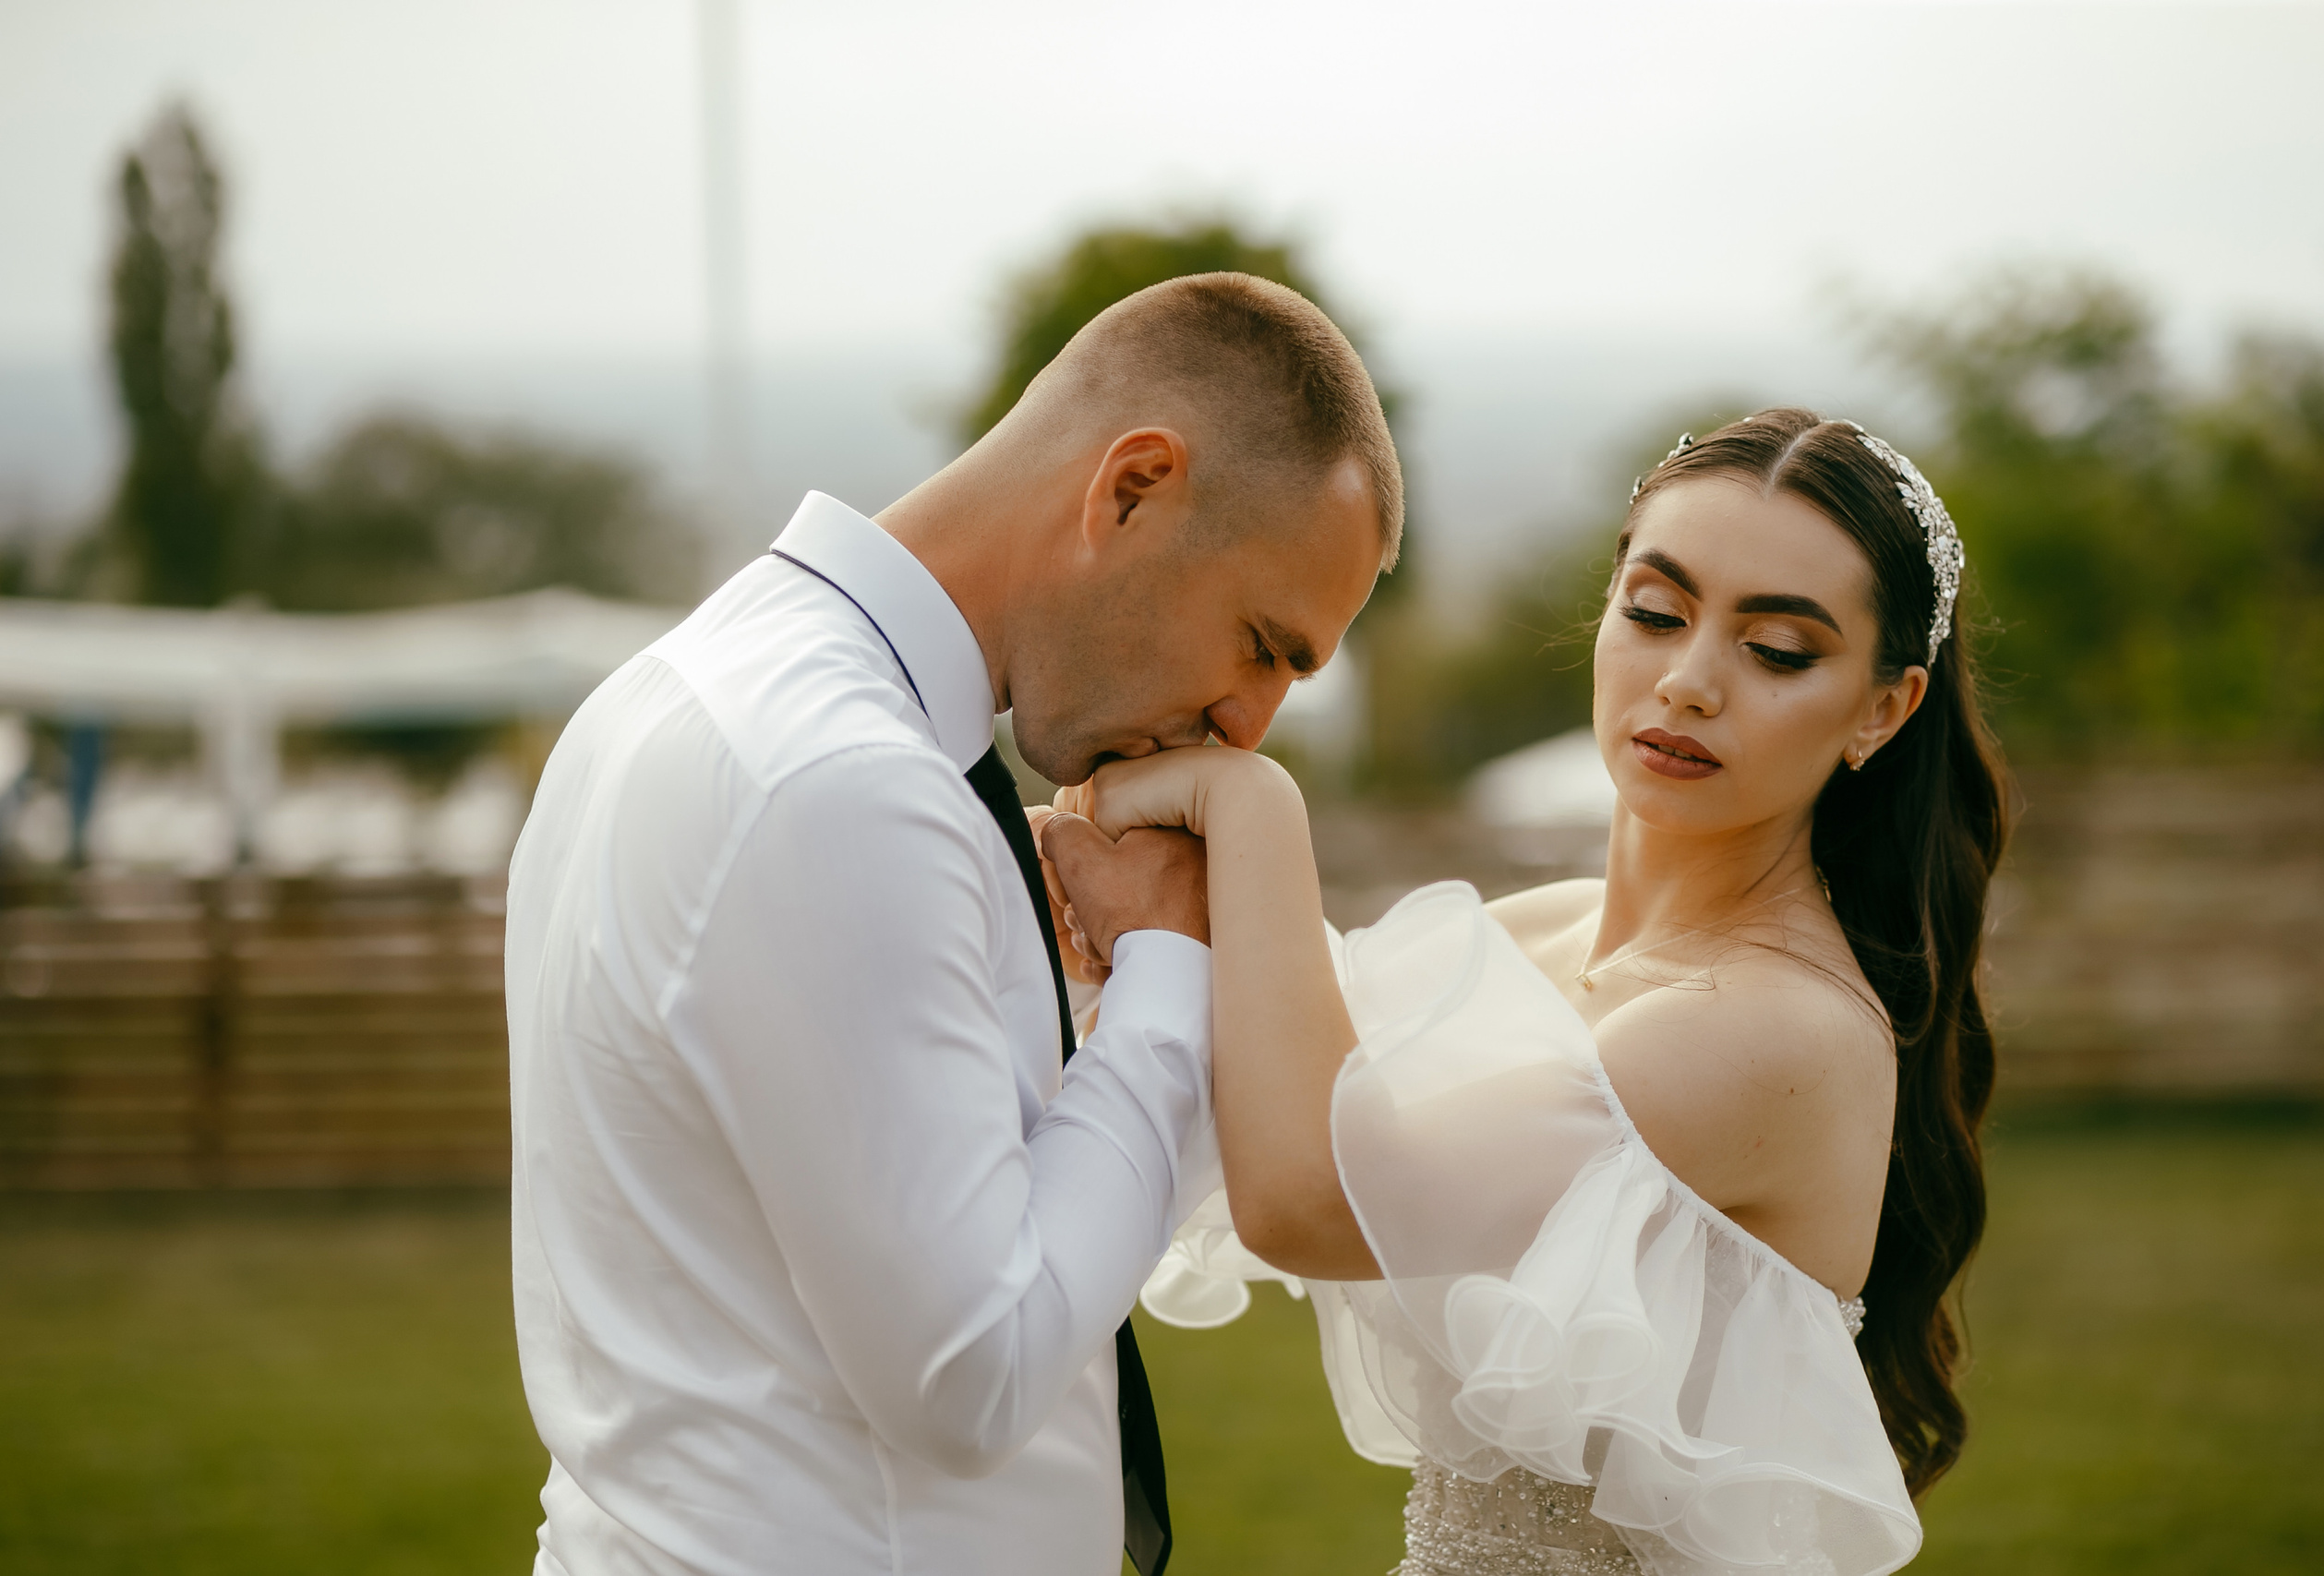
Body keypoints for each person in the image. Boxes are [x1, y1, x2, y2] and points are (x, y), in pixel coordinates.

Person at [504, 272, 1402, 1576]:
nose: (1250, 723)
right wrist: (1167, 963)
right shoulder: (838, 784)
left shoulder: (696, 691)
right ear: (1132, 487)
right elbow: (972, 1371)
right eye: (1264, 644)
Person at [1040, 409, 2010, 1576]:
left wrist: (1251, 809)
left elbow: (1307, 1196)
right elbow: (1254, 1076)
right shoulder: (1532, 937)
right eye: (1655, 613)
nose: (1690, 681)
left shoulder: (1778, 1029)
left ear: (1881, 708)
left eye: (1778, 651)